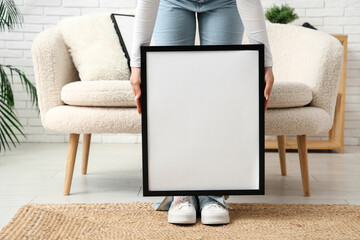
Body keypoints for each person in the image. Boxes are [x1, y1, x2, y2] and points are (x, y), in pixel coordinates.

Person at [129, 0, 275, 225]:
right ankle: (180, 189)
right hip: (173, 2)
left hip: (225, 3)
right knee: (173, 89)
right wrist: (137, 65)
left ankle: (212, 193)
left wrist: (265, 63)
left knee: (219, 90)